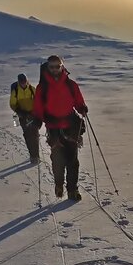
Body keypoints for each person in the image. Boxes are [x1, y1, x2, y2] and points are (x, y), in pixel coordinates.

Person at [33, 56, 87, 201]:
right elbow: (38, 107)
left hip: (70, 127)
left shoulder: (71, 85)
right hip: (53, 128)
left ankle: (72, 190)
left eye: (58, 66)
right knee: (57, 161)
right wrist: (37, 119)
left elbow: (78, 101)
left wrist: (81, 107)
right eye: (52, 67)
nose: (55, 69)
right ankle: (59, 184)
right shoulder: (42, 88)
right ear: (47, 68)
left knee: (72, 161)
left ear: (62, 66)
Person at [10, 72, 41, 162]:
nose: (23, 83)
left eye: (25, 81)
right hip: (23, 116)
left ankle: (36, 155)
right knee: (28, 135)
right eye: (22, 81)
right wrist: (20, 112)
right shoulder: (15, 91)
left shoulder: (32, 89)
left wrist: (36, 113)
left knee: (35, 135)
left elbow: (38, 102)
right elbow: (12, 104)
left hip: (33, 115)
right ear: (19, 82)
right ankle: (32, 155)